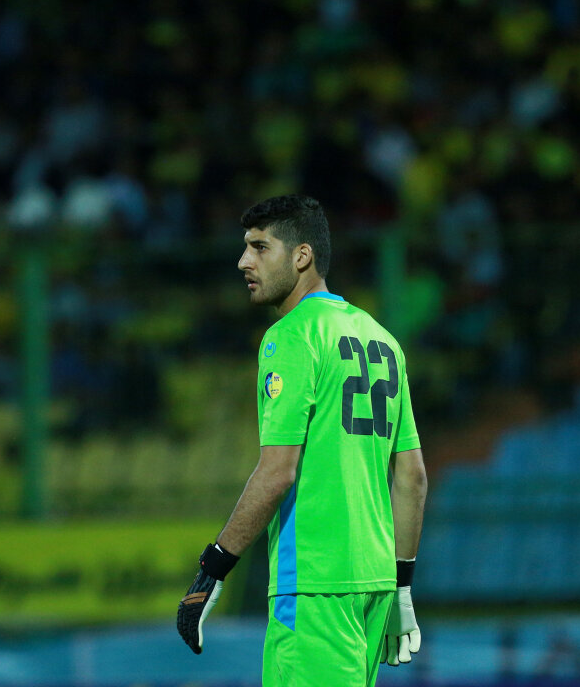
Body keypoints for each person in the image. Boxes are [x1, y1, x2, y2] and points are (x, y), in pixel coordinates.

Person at [176, 195, 428, 686]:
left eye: (259, 247)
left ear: (301, 256)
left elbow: (277, 472)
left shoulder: (291, 336)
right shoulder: (382, 339)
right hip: (375, 584)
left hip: (315, 583)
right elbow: (413, 477)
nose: (243, 261)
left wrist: (213, 568)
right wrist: (401, 588)